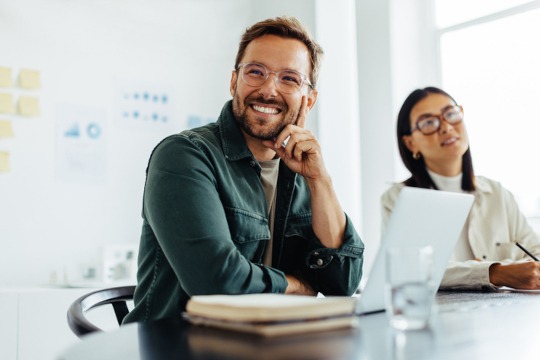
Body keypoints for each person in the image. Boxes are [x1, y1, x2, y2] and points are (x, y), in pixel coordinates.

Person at [123, 16, 364, 324]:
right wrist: (298, 285)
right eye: (256, 72)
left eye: (289, 78)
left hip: (270, 344)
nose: (268, 90)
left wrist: (320, 180)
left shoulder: (303, 172)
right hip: (179, 347)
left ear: (309, 99)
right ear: (234, 81)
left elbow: (344, 282)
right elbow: (216, 282)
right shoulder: (184, 156)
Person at [381, 86, 540, 290]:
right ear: (411, 143)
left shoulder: (497, 194)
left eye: (451, 114)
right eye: (429, 122)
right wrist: (494, 273)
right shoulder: (397, 199)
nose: (446, 127)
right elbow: (409, 270)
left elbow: (535, 254)